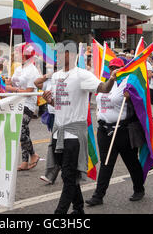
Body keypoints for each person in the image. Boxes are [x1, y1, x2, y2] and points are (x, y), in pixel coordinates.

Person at [42, 40, 115, 214]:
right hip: (57, 132)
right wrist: (49, 100)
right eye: (58, 52)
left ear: (72, 54)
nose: (58, 55)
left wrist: (111, 80)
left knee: (68, 177)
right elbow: (59, 102)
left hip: (73, 135)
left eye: (62, 52)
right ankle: (79, 208)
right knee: (68, 175)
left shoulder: (82, 75)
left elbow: (104, 88)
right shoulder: (57, 76)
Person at [86, 57, 146, 207]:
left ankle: (139, 189)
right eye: (112, 67)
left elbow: (141, 100)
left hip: (123, 131)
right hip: (104, 130)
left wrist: (131, 97)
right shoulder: (105, 83)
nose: (114, 70)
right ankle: (98, 196)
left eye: (118, 67)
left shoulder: (129, 83)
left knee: (131, 162)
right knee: (106, 164)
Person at [6, 43, 41, 171]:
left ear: (25, 54)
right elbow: (12, 84)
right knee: (24, 131)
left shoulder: (32, 70)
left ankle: (33, 154)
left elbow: (30, 91)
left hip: (28, 105)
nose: (15, 55)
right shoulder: (19, 68)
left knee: (20, 130)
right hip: (17, 102)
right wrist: (8, 83)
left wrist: (12, 89)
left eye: (18, 52)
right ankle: (25, 161)